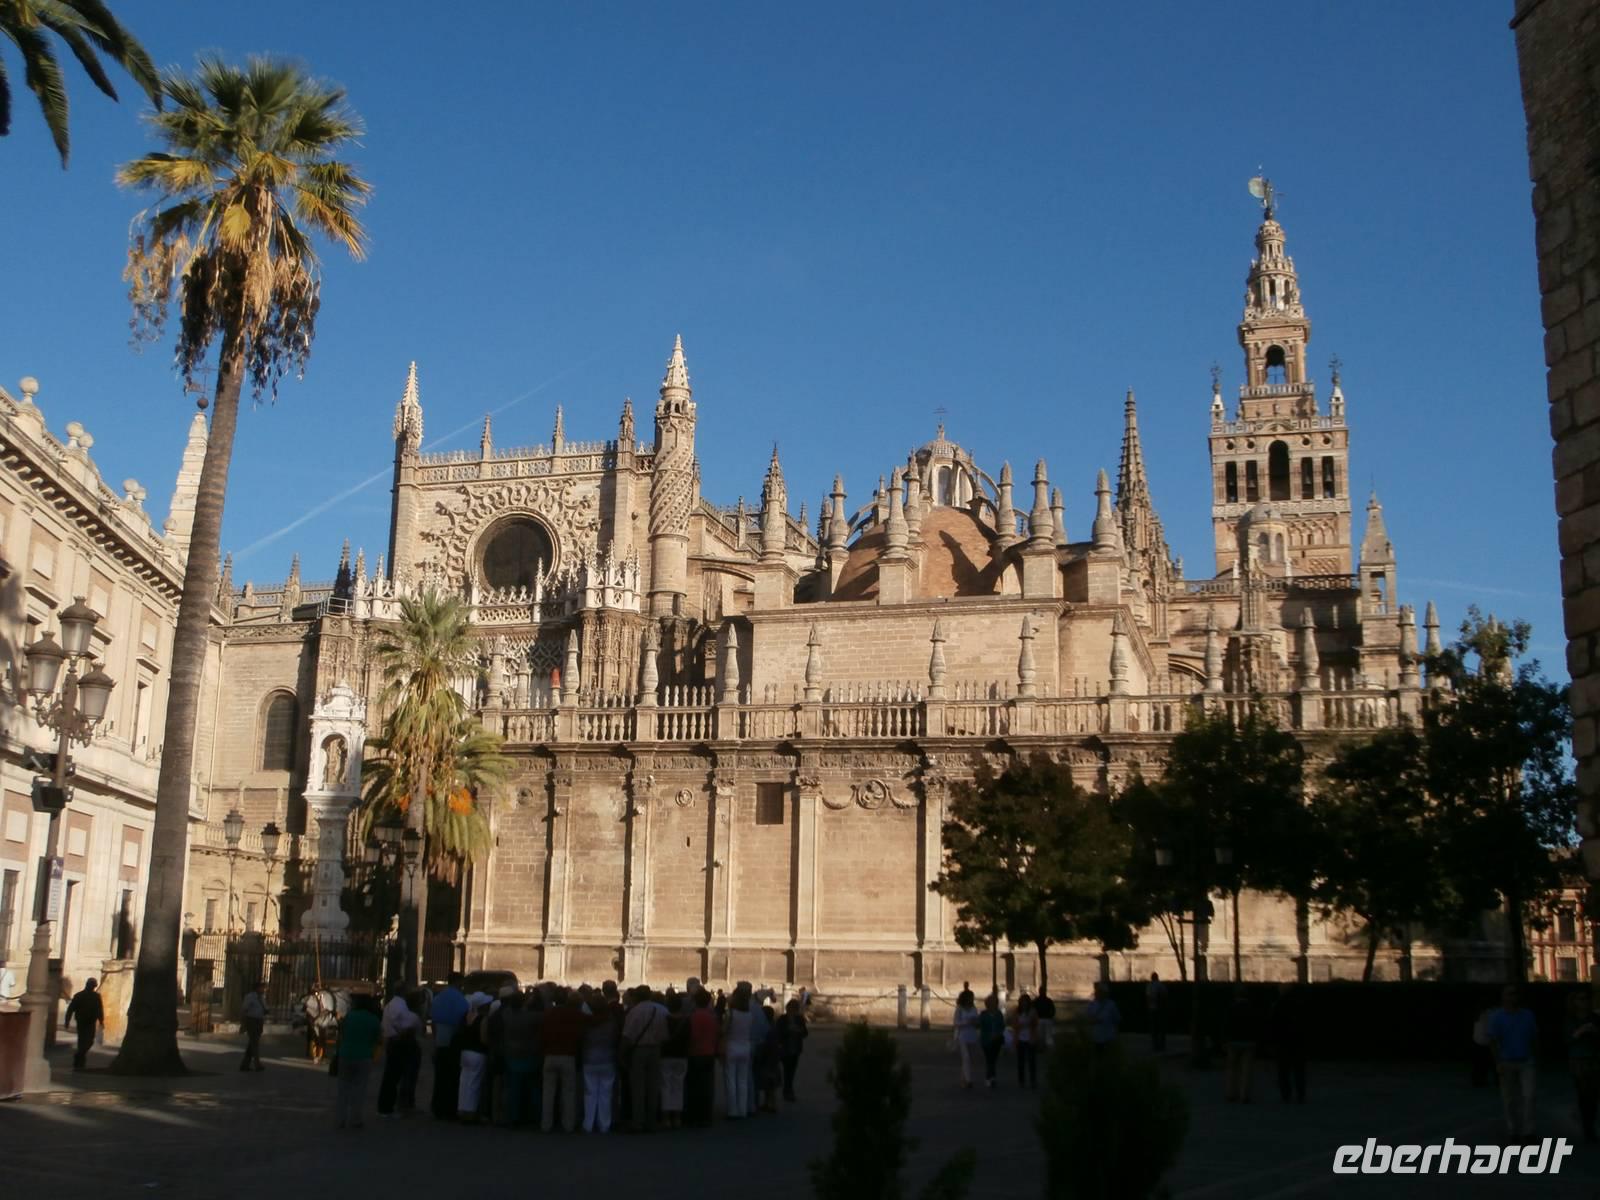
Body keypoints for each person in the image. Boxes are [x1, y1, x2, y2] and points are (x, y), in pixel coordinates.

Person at [1487, 984, 1539, 1139]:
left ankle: (1528, 1131)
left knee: (1529, 1096)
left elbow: (1535, 1037)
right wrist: (1498, 1062)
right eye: (1509, 994)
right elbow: (1493, 1040)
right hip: (1506, 1060)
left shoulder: (1528, 1015)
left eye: (1515, 994)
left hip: (1526, 1060)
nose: (1512, 997)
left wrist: (1536, 1057)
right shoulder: (1497, 1017)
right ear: (1503, 997)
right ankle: (1513, 1129)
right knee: (1509, 1099)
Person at [622, 985, 668, 1132]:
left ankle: (638, 1121)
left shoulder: (634, 1011)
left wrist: (622, 1053)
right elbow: (667, 1032)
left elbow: (627, 1035)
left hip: (638, 1051)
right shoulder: (662, 1010)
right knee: (653, 1087)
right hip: (656, 1049)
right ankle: (652, 1121)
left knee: (638, 1088)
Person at [334, 993, 382, 1129]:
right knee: (359, 1089)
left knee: (343, 1089)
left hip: (346, 1054)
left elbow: (342, 1034)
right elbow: (378, 1039)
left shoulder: (349, 1017)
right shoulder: (373, 1019)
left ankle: (340, 1119)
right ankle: (356, 1119)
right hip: (364, 1056)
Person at [540, 989, 585, 1133]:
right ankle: (568, 1124)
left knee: (548, 1093)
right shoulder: (573, 1014)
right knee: (568, 1092)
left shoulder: (548, 1014)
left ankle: (546, 1124)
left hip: (550, 1055)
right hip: (568, 1056)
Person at [499, 990, 544, 1128]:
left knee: (513, 1089)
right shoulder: (531, 1017)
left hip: (512, 1055)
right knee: (533, 1089)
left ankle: (513, 1117)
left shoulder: (506, 1015)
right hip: (529, 1056)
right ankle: (534, 1117)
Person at [377, 986, 423, 1117]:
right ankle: (401, 1105)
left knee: (391, 1076)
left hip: (392, 1042)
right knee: (404, 1076)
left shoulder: (389, 1006)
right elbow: (411, 1026)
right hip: (402, 1043)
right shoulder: (407, 1011)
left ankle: (388, 1105)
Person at [430, 971, 469, 1120]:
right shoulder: (460, 999)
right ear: (458, 982)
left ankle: (437, 1107)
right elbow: (462, 1022)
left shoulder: (439, 998)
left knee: (439, 1077)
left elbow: (433, 1021)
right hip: (453, 1043)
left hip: (440, 1041)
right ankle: (449, 1108)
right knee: (452, 1079)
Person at [582, 985, 621, 1133]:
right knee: (606, 1093)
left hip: (590, 1059)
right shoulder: (611, 1023)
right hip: (607, 1059)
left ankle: (588, 1123)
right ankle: (604, 1124)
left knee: (589, 1093)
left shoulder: (587, 1023)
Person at [1567, 990, 1599, 1143]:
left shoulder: (1595, 1018)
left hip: (1593, 1058)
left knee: (1592, 1095)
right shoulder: (1571, 1019)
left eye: (1586, 998)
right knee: (1583, 1093)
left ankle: (1589, 1124)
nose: (1584, 1002)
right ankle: (1587, 1126)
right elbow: (1566, 1039)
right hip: (1578, 1059)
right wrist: (1579, 1032)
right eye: (1581, 998)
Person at [686, 987, 720, 1126]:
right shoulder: (713, 1017)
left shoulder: (694, 1016)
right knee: (707, 1085)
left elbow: (693, 1036)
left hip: (695, 1053)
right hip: (709, 1053)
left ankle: (694, 1115)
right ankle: (706, 1115)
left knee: (694, 1086)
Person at [456, 993, 492, 1123]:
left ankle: (462, 1109)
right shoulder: (483, 1019)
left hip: (465, 1052)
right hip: (478, 1053)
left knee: (464, 1082)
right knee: (474, 1083)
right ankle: (470, 1112)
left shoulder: (467, 1016)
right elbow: (483, 1038)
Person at [1269, 983, 1308, 1103]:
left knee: (1283, 1071)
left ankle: (1286, 1094)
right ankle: (1300, 1094)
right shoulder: (1299, 1004)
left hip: (1282, 1042)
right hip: (1298, 1041)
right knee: (1299, 1070)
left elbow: (1273, 1025)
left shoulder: (1277, 1005)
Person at [722, 983, 755, 1118]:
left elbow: (724, 1030)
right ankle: (742, 1109)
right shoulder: (749, 1015)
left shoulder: (731, 1014)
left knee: (731, 1080)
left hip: (732, 1046)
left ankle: (732, 1110)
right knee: (743, 1080)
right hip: (745, 1047)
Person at [660, 992, 691, 1127]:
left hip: (666, 1055)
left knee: (666, 1086)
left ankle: (666, 1118)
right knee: (678, 1086)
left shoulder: (664, 1019)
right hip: (681, 1055)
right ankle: (677, 1117)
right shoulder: (686, 1020)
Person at [1222, 986, 1257, 1103]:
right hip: (1248, 1041)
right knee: (1246, 1070)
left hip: (1233, 1041)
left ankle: (1231, 1093)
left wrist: (1226, 1040)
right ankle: (1244, 1095)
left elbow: (1226, 1025)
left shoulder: (1231, 1008)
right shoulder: (1252, 1008)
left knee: (1232, 1069)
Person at [63, 978, 104, 1071]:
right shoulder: (79, 996)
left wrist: (101, 1020)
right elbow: (71, 1009)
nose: (93, 987)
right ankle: (80, 1060)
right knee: (82, 1041)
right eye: (92, 985)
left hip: (91, 1021)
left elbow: (99, 1009)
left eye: (94, 985)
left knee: (90, 1041)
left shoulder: (96, 996)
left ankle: (79, 1055)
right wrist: (67, 1021)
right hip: (82, 1021)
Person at [775, 997, 808, 1102]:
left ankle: (788, 1090)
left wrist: (798, 1030)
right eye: (791, 1008)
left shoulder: (800, 1019)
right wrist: (787, 1030)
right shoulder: (782, 1019)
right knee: (786, 1070)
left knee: (791, 1071)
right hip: (785, 1048)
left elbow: (805, 1033)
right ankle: (786, 1090)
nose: (793, 1010)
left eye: (795, 1008)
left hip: (795, 1049)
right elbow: (778, 1032)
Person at [953, 988, 981, 1088]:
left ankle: (963, 1079)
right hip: (963, 1036)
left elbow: (977, 1021)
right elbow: (955, 1022)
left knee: (970, 1059)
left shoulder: (974, 1008)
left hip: (972, 1036)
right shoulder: (959, 1008)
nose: (972, 999)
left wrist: (976, 1022)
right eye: (970, 997)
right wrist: (966, 1022)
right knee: (966, 1058)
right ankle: (969, 1080)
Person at [978, 992, 1007, 1088]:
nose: (992, 1004)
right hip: (986, 1040)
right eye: (991, 1002)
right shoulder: (983, 1014)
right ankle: (990, 1077)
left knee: (993, 1059)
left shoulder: (999, 1014)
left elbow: (1002, 1026)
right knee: (989, 1059)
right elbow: (980, 1025)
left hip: (996, 1040)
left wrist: (997, 1034)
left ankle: (991, 1077)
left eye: (994, 1002)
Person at [1010, 993, 1038, 1089]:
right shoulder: (1017, 1012)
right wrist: (1020, 1026)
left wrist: (1030, 1023)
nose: (1024, 1004)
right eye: (1022, 1002)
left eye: (1026, 1002)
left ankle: (1033, 1080)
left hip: (1030, 1038)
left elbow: (1035, 1023)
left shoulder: (1033, 1012)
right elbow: (1014, 1025)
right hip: (1020, 1039)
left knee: (1031, 1061)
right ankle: (1021, 1080)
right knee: (1021, 1061)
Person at [240, 981, 268, 1071]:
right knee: (254, 1043)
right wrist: (243, 1023)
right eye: (262, 988)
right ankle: (257, 1064)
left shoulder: (262, 997)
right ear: (257, 988)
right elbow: (244, 1009)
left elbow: (264, 1008)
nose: (264, 989)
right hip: (251, 1020)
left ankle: (245, 1064)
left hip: (259, 1020)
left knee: (252, 1044)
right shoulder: (250, 997)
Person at [1086, 981, 1121, 1053]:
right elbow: (1088, 1018)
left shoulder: (1111, 1004)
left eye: (1101, 992)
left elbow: (1117, 1018)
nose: (1099, 994)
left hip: (1109, 1035)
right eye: (1098, 992)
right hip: (1097, 1036)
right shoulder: (1092, 1004)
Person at [1146, 972, 1168, 1053]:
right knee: (1161, 1027)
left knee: (1154, 1028)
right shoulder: (1161, 985)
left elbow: (1148, 998)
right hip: (1160, 1009)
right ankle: (1162, 1045)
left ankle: (1155, 1045)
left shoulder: (1149, 986)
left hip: (1152, 1009)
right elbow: (1165, 996)